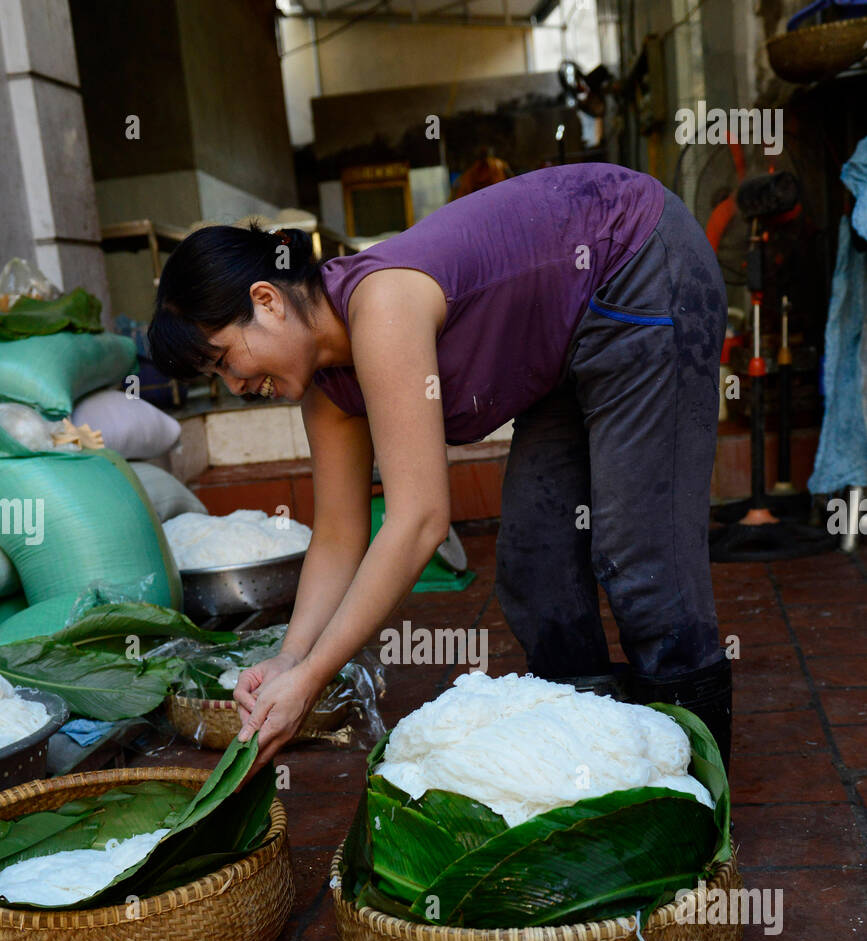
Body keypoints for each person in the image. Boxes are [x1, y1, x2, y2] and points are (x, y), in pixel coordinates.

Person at [148, 162, 731, 774]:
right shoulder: (325, 390)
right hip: (566, 333)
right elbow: (340, 535)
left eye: (224, 361)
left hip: (636, 261)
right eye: (216, 379)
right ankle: (602, 768)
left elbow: (420, 520)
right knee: (537, 567)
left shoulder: (382, 303)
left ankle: (701, 788)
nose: (236, 385)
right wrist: (292, 657)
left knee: (639, 554)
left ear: (266, 301)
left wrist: (314, 680)